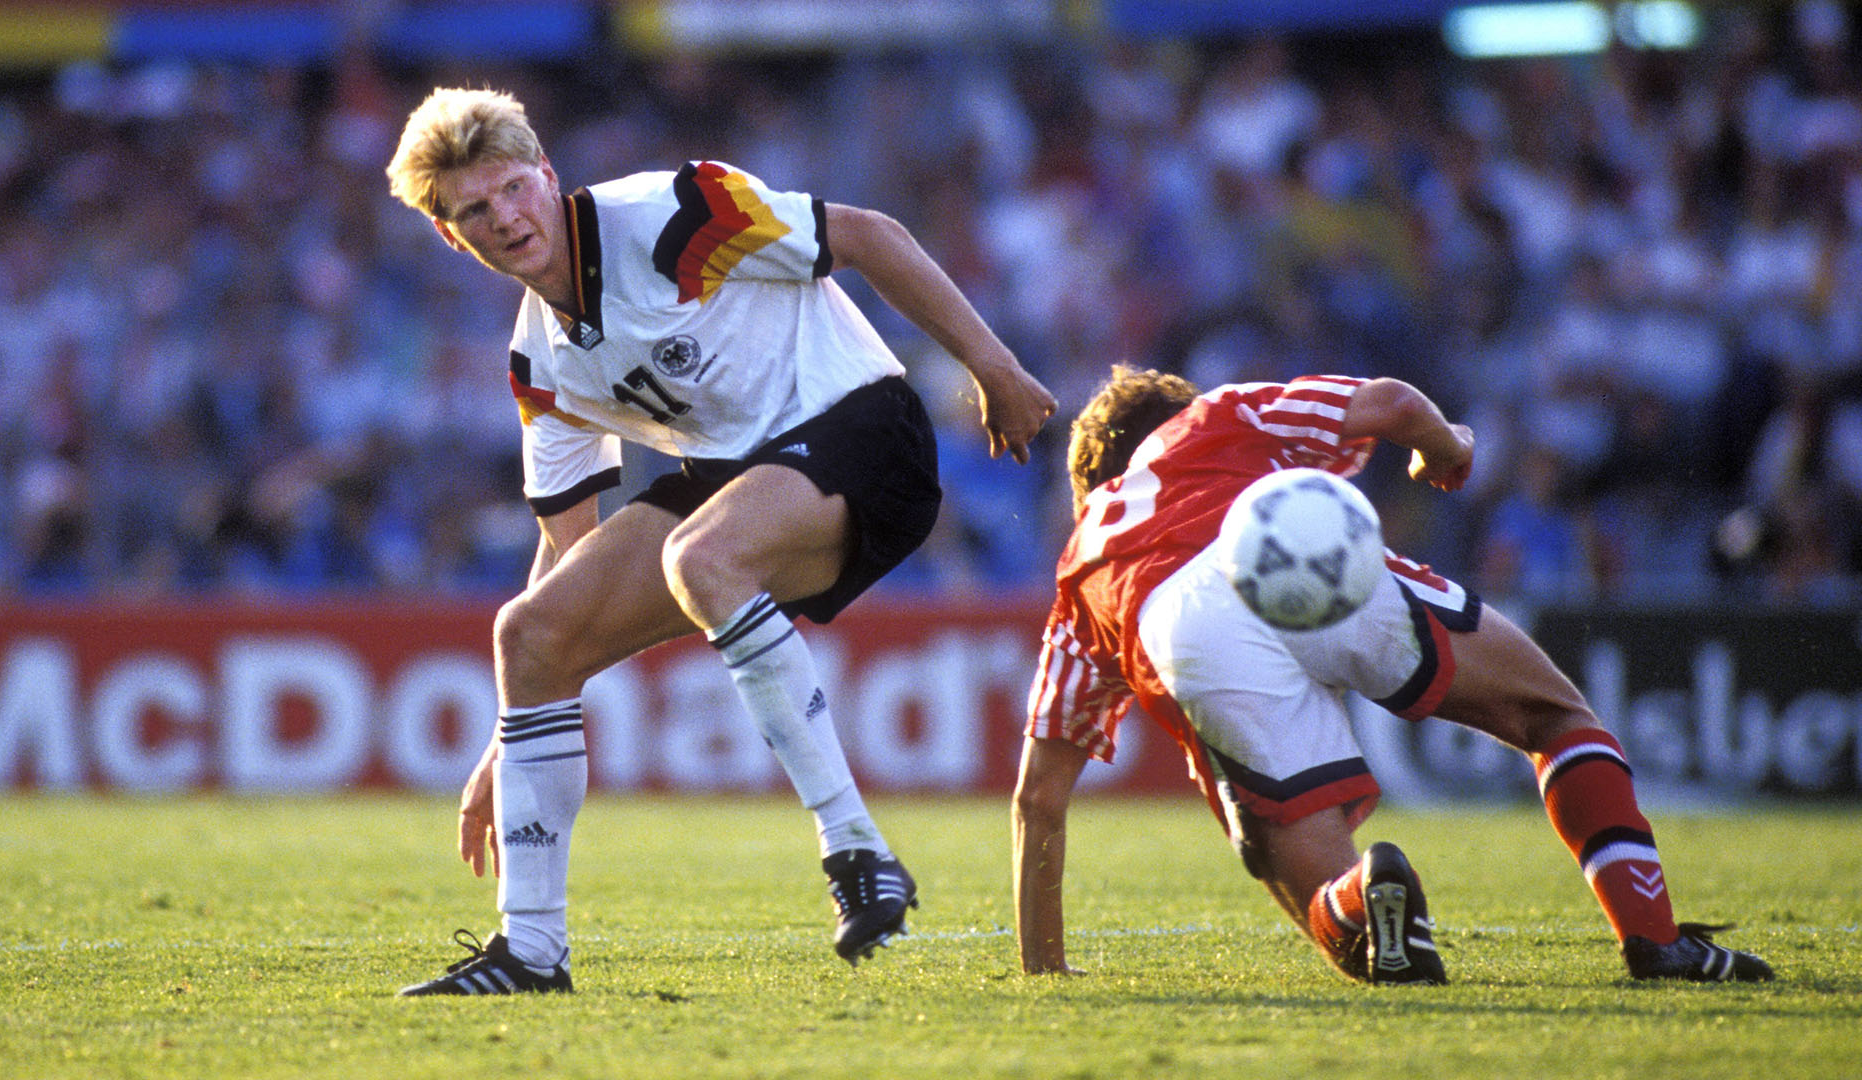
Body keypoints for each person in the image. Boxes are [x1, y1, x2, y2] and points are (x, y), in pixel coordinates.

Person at [384, 87, 1055, 995]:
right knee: (527, 633)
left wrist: (996, 369)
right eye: (475, 210)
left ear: (548, 175)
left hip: (862, 426)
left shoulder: (671, 216)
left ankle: (856, 851)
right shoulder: (539, 363)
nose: (504, 218)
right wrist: (509, 739)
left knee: (701, 556)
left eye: (512, 189)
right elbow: (566, 559)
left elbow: (866, 234)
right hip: (732, 482)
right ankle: (531, 955)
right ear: (449, 235)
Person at [1015, 367, 1773, 985]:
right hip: (1290, 544)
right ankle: (1655, 938)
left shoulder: (1082, 567)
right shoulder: (1212, 416)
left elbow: (1039, 797)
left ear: (1092, 486)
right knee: (1555, 717)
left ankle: (1365, 892)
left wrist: (1045, 967)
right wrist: (1448, 449)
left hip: (1179, 626)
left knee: (1345, 927)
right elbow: (1395, 405)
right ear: (1170, 414)